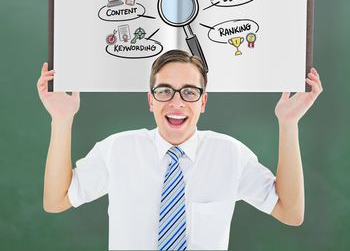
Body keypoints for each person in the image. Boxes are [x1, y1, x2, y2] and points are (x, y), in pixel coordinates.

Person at [37, 49, 323, 250]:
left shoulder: (230, 154)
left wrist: (288, 123)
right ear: (151, 100)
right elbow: (56, 199)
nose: (176, 102)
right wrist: (61, 120)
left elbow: (290, 212)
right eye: (164, 91)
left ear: (203, 102)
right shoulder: (118, 149)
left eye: (189, 91)